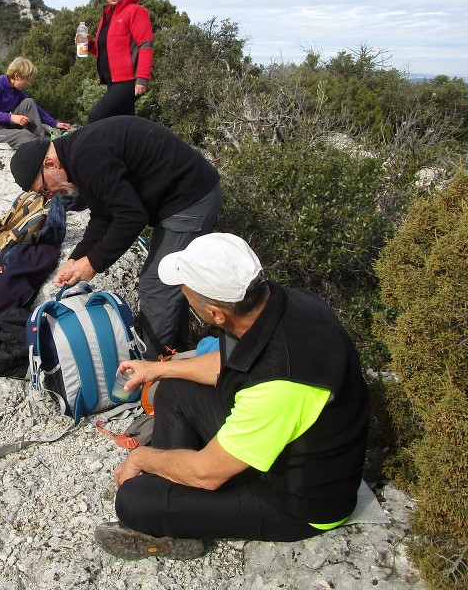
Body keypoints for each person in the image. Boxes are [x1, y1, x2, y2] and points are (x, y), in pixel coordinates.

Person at [93, 233, 370, 559]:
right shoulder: (284, 302)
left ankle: (173, 514)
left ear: (216, 313)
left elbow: (207, 474)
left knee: (133, 501)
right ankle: (174, 491)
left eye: (187, 293)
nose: (184, 296)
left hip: (299, 498)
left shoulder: (280, 383)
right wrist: (156, 369)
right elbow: (229, 362)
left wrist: (141, 458)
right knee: (172, 389)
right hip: (278, 446)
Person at [10, 116, 221, 357]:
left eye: (45, 189)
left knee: (156, 285)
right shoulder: (75, 158)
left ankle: (154, 371)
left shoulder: (86, 157)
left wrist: (93, 263)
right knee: (172, 280)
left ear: (49, 164)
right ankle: (180, 355)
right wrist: (77, 257)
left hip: (192, 199)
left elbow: (131, 216)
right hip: (179, 200)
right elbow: (104, 215)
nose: (51, 196)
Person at [84, 0, 154, 124]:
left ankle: (91, 148)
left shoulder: (135, 11)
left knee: (96, 117)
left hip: (129, 81)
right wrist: (89, 44)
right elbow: (103, 50)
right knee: (124, 125)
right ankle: (132, 148)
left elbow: (146, 44)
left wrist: (142, 79)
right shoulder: (107, 16)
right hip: (112, 82)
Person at [0, 57, 71, 148]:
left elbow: (34, 108)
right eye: (27, 79)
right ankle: (44, 147)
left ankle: (41, 141)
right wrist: (12, 117)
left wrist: (55, 124)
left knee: (29, 102)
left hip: (5, 128)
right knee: (24, 135)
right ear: (17, 76)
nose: (28, 83)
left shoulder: (16, 91)